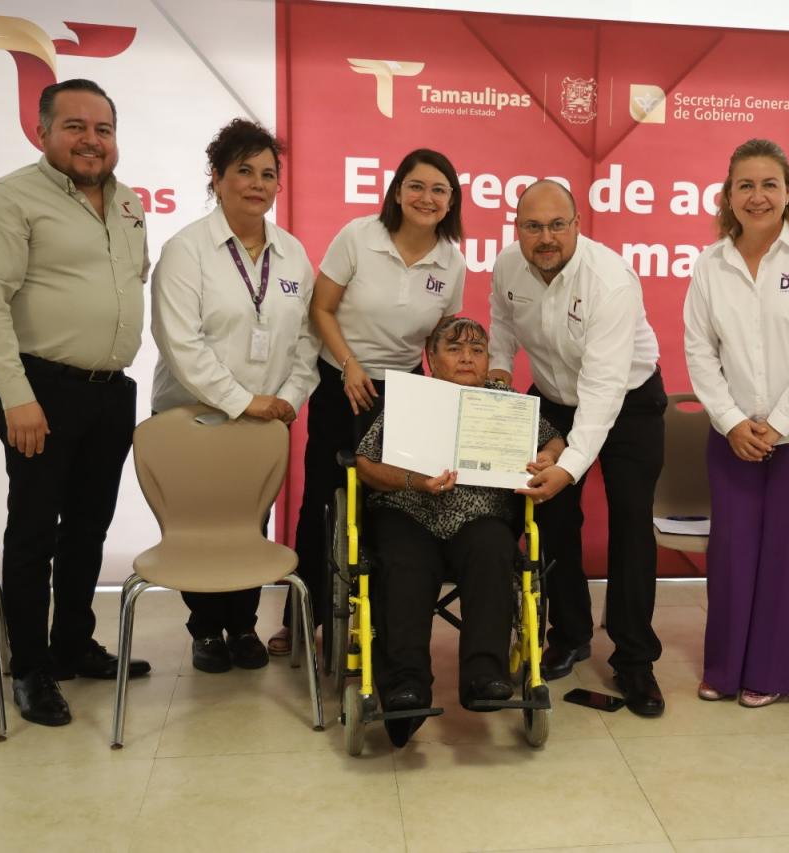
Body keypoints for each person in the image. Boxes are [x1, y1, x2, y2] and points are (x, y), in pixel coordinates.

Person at [0, 79, 151, 727]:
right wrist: (17, 396)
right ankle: (31, 667)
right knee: (35, 531)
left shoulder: (129, 202)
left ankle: (72, 641)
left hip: (110, 392)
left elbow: (129, 280)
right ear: (42, 132)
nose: (91, 140)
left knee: (89, 528)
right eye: (75, 126)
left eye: (103, 128)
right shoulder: (9, 199)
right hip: (37, 390)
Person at [275, 149, 466, 655]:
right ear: (398, 191)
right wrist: (349, 364)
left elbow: (441, 337)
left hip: (404, 390)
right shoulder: (359, 236)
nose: (426, 197)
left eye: (439, 190)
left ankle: (380, 622)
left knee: (392, 507)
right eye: (416, 186)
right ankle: (302, 619)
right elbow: (321, 308)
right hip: (343, 381)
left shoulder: (452, 262)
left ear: (451, 202)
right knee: (323, 501)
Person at [489, 180, 668, 717]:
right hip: (552, 398)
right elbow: (502, 325)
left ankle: (635, 659)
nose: (546, 237)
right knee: (553, 518)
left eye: (557, 225)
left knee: (631, 524)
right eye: (533, 226)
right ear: (517, 228)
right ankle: (569, 635)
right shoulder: (508, 267)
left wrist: (568, 465)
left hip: (628, 401)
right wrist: (499, 376)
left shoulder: (610, 280)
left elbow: (603, 390)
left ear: (577, 225)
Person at [684, 138, 789, 707]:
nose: (757, 196)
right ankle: (725, 667)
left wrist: (776, 425)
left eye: (769, 185)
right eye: (745, 185)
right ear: (727, 195)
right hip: (733, 433)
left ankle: (772, 672)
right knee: (731, 552)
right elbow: (699, 353)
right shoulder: (710, 265)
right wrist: (732, 422)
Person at [150, 119, 319, 673]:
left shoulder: (292, 254)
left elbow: (308, 339)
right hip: (191, 416)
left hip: (266, 418)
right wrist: (243, 401)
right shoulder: (186, 250)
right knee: (196, 526)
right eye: (244, 171)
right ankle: (204, 629)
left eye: (268, 174)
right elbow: (180, 343)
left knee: (251, 523)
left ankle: (243, 625)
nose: (257, 184)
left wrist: (288, 397)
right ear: (217, 178)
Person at [355, 317, 564, 746]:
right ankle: (405, 686)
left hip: (480, 518)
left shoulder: (505, 401)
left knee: (494, 549)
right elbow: (366, 463)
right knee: (403, 562)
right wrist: (415, 481)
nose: (467, 357)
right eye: (454, 349)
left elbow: (555, 440)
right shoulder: (411, 398)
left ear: (488, 361)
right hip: (409, 511)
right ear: (431, 359)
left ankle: (484, 676)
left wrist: (547, 456)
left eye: (477, 350)